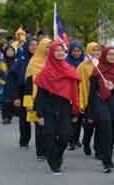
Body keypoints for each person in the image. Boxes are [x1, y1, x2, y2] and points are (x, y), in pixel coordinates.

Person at [34, 41, 80, 174]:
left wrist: (75, 110)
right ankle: (54, 164)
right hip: (48, 107)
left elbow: (74, 91)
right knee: (49, 135)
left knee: (65, 135)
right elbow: (40, 95)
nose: (60, 53)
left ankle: (57, 155)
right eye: (57, 50)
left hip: (65, 106)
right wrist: (39, 114)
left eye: (62, 51)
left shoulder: (69, 70)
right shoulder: (45, 72)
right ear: (52, 53)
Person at [88, 46, 114, 173]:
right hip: (100, 102)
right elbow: (91, 93)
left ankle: (106, 157)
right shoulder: (97, 71)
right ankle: (106, 161)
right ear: (104, 55)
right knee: (106, 132)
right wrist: (90, 112)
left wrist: (113, 89)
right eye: (109, 54)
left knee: (112, 133)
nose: (112, 56)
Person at [5, 38, 38, 148]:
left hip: (39, 93)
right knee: (25, 118)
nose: (34, 47)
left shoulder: (41, 60)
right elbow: (12, 80)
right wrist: (15, 97)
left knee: (38, 118)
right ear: (26, 46)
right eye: (31, 45)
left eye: (36, 45)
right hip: (24, 92)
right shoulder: (21, 60)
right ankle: (24, 140)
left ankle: (41, 144)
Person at [25, 39, 52, 160]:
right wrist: (28, 103)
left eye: (51, 47)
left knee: (50, 125)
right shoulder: (33, 63)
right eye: (47, 47)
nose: (49, 49)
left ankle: (49, 149)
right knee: (40, 126)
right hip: (37, 99)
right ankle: (41, 151)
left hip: (51, 98)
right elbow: (28, 85)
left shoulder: (54, 62)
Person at [77, 42, 102, 158]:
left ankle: (98, 149)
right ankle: (86, 142)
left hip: (100, 98)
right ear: (88, 51)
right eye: (94, 50)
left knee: (100, 125)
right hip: (88, 97)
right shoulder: (82, 66)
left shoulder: (102, 64)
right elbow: (80, 83)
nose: (96, 53)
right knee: (89, 125)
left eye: (98, 50)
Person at [64, 40, 85, 150]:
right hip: (71, 91)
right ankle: (71, 140)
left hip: (82, 91)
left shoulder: (84, 62)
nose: (77, 53)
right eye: (74, 51)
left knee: (80, 117)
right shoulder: (66, 62)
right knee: (72, 116)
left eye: (79, 51)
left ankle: (76, 139)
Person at [0, 45, 17, 124]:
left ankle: (10, 115)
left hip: (14, 84)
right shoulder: (2, 61)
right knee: (5, 101)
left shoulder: (17, 61)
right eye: (8, 51)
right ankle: (5, 117)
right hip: (4, 83)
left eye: (11, 51)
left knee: (12, 101)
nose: (10, 52)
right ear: (5, 52)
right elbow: (0, 73)